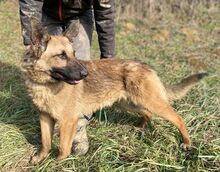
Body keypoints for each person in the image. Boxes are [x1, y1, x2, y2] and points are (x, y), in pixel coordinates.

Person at [19, 0, 116, 156]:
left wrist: (108, 56)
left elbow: (105, 13)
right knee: (46, 68)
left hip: (80, 15)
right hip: (47, 12)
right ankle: (50, 129)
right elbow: (30, 2)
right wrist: (31, 44)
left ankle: (78, 127)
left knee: (77, 73)